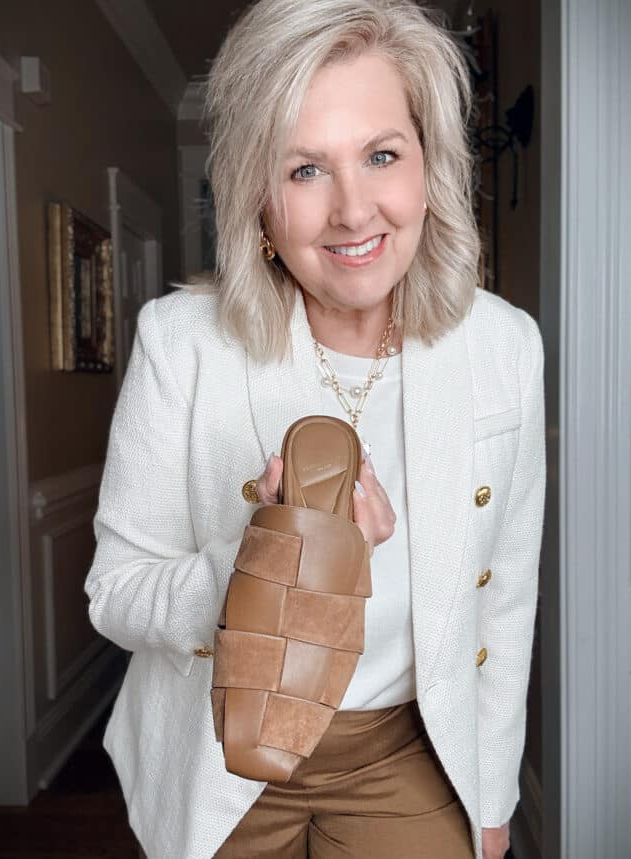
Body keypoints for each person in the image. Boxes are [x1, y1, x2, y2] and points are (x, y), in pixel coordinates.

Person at [85, 1, 546, 857]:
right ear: (258, 199)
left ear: (429, 164)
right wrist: (266, 564)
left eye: (381, 155)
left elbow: (506, 601)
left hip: (410, 755)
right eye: (305, 170)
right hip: (224, 758)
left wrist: (490, 802)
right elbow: (115, 592)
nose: (353, 210)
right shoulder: (178, 343)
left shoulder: (504, 347)